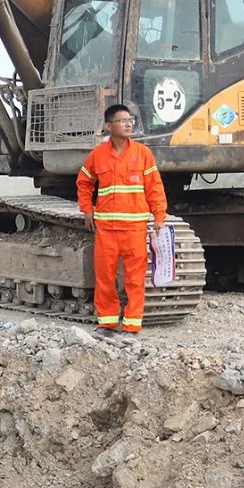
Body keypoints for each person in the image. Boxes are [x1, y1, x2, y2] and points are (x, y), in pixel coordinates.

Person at [76, 104, 167, 335]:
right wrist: (87, 209)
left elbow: (155, 187)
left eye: (130, 120)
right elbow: (84, 183)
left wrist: (159, 215)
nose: (128, 124)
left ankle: (132, 325)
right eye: (122, 120)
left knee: (135, 279)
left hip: (134, 229)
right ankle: (106, 323)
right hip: (106, 229)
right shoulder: (98, 155)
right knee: (105, 278)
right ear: (109, 126)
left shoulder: (143, 154)